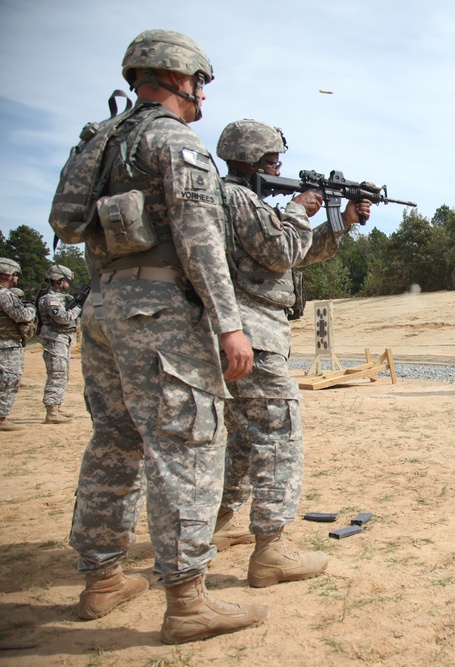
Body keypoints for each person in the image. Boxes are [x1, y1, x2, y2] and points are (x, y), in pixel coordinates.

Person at [64, 29, 265, 645]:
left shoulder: (103, 141)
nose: (202, 94)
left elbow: (65, 222)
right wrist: (230, 324)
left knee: (115, 442)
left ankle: (101, 581)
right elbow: (201, 240)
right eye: (201, 82)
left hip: (103, 307)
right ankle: (187, 602)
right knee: (187, 445)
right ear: (181, 77)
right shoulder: (175, 141)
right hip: (160, 316)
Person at [210, 119, 370, 586]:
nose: (280, 164)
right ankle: (271, 551)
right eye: (272, 157)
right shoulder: (236, 197)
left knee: (240, 441)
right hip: (251, 331)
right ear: (252, 157)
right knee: (280, 432)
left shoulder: (244, 200)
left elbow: (297, 253)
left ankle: (214, 526)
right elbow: (281, 251)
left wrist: (340, 223)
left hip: (246, 331)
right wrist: (300, 208)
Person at [37, 264, 83, 424]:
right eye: (67, 280)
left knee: (63, 374)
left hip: (63, 339)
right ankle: (51, 412)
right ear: (58, 280)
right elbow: (62, 318)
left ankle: (57, 406)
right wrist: (77, 308)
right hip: (54, 339)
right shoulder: (50, 299)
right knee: (57, 373)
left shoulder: (64, 297)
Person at [0, 258, 35, 432]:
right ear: (8, 274)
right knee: (8, 379)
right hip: (5, 344)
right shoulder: (4, 294)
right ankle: (1, 418)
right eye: (15, 275)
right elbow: (22, 315)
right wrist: (31, 310)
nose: (16, 279)